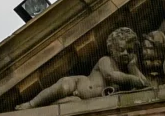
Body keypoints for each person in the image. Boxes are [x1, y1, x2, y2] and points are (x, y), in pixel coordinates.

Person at [21, 27, 157, 107]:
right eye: (121, 49)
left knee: (66, 104)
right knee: (61, 88)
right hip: (76, 85)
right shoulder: (106, 60)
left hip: (81, 100)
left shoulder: (126, 71)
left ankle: (46, 108)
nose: (125, 53)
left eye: (129, 50)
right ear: (112, 48)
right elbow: (111, 76)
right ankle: (31, 104)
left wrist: (133, 67)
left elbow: (147, 87)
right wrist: (135, 80)